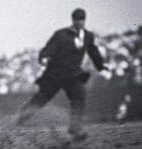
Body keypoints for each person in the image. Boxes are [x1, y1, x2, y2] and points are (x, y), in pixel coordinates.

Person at [15, 8, 108, 140]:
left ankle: (75, 129)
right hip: (55, 75)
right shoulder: (61, 35)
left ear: (84, 20)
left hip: (73, 75)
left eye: (82, 19)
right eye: (77, 19)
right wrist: (44, 57)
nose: (80, 22)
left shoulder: (88, 36)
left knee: (79, 96)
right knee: (41, 98)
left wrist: (101, 66)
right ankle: (20, 120)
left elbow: (93, 51)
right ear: (73, 20)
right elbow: (49, 48)